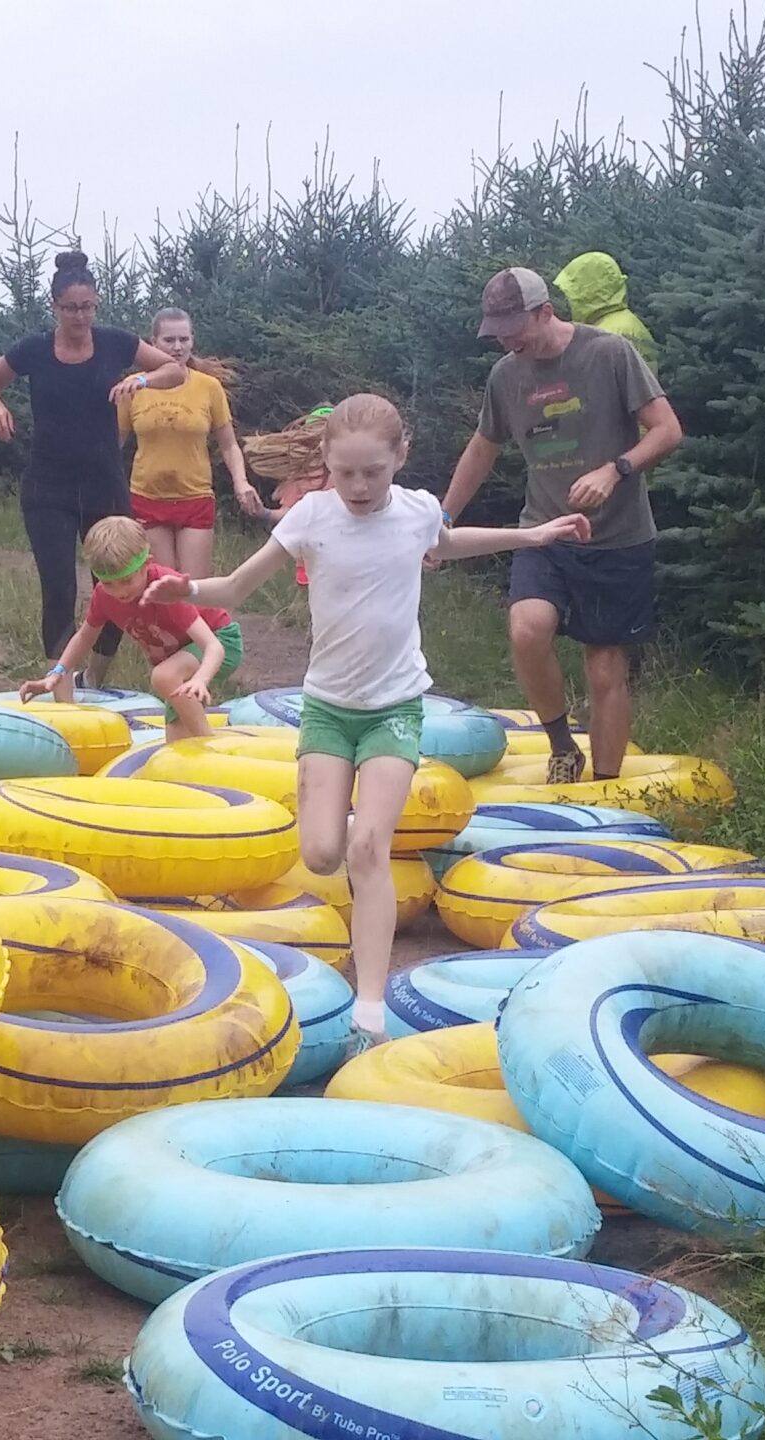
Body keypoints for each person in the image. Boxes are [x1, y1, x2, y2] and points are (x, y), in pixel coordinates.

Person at [148, 394, 591, 1047]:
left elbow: (450, 540)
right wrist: (184, 589)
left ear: (399, 460)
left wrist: (533, 535)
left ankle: (371, 1007)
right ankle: (349, 821)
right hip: (328, 710)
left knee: (366, 849)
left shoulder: (414, 511)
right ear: (325, 460)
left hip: (394, 709)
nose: (359, 487)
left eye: (373, 473)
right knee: (323, 853)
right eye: (347, 472)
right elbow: (237, 589)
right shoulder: (310, 517)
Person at [438, 266, 685, 784]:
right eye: (497, 333)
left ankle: (606, 788)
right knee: (527, 630)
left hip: (617, 536)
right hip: (545, 531)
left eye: (513, 329)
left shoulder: (609, 353)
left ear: (546, 312)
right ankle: (561, 748)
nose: (506, 341)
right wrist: (442, 518)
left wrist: (615, 470)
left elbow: (667, 431)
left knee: (604, 665)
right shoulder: (506, 375)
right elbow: (484, 446)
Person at [0, 251, 188, 676]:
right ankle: (62, 685)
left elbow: (175, 371)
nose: (79, 316)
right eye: (70, 308)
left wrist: (141, 379)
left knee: (117, 584)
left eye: (87, 307)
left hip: (103, 484)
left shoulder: (115, 342)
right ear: (55, 306)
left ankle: (96, 676)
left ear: (96, 303)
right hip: (47, 487)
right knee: (58, 587)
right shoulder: (35, 349)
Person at [19, 516, 239, 739]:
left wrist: (201, 679)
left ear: (147, 564)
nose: (119, 591)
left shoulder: (163, 591)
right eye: (108, 583)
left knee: (163, 676)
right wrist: (57, 672)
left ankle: (209, 742)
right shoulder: (105, 597)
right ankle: (207, 749)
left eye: (126, 580)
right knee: (176, 742)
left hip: (221, 640)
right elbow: (85, 636)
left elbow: (213, 646)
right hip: (181, 659)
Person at [118, 307, 259, 579]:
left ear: (193, 340)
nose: (177, 347)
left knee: (192, 589)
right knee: (162, 587)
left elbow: (229, 445)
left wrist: (241, 482)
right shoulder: (134, 386)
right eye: (169, 340)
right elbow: (115, 444)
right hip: (147, 497)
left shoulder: (208, 387)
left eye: (184, 339)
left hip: (194, 497)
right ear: (153, 343)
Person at [553, 252, 660, 369]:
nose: (567, 298)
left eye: (571, 291)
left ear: (587, 290)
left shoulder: (611, 332)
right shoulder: (618, 322)